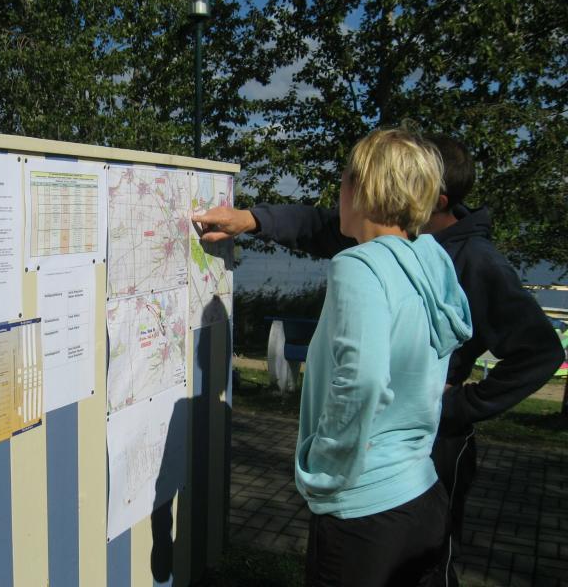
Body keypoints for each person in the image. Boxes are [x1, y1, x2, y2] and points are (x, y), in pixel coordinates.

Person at [193, 134, 564, 586]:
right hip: (421, 489)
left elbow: (362, 381)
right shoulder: (430, 255)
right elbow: (323, 228)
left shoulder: (358, 265)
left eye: (344, 180)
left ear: (362, 189)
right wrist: (253, 219)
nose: (337, 193)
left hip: (362, 504)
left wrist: (326, 470)